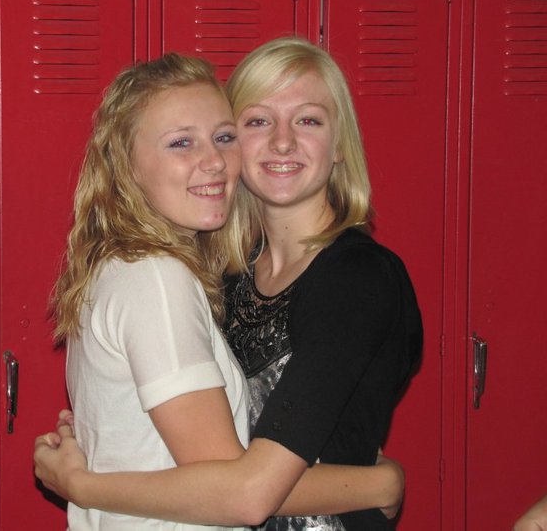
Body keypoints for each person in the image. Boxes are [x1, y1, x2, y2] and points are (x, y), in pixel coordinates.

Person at [35, 48, 409, 531]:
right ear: (125, 165)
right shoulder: (206, 274)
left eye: (308, 120)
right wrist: (380, 484)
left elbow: (244, 485)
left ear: (340, 144)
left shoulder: (356, 277)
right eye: (257, 122)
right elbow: (240, 489)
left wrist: (85, 484)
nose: (282, 141)